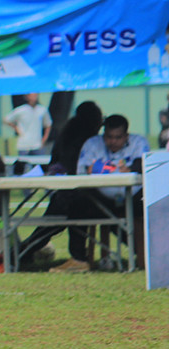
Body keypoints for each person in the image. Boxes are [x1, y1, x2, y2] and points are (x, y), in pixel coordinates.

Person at [50, 114, 149, 273]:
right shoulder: (92, 144)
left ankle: (149, 255)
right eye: (109, 137)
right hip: (101, 199)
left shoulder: (139, 142)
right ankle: (78, 259)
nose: (113, 142)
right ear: (104, 134)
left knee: (147, 208)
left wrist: (112, 169)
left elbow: (141, 164)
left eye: (118, 137)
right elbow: (83, 172)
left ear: (126, 136)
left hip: (133, 199)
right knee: (76, 204)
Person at [19, 101, 104, 262]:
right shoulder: (90, 139)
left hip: (63, 192)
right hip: (80, 195)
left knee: (45, 229)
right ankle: (77, 255)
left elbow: (55, 161)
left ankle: (22, 252)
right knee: (75, 217)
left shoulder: (67, 132)